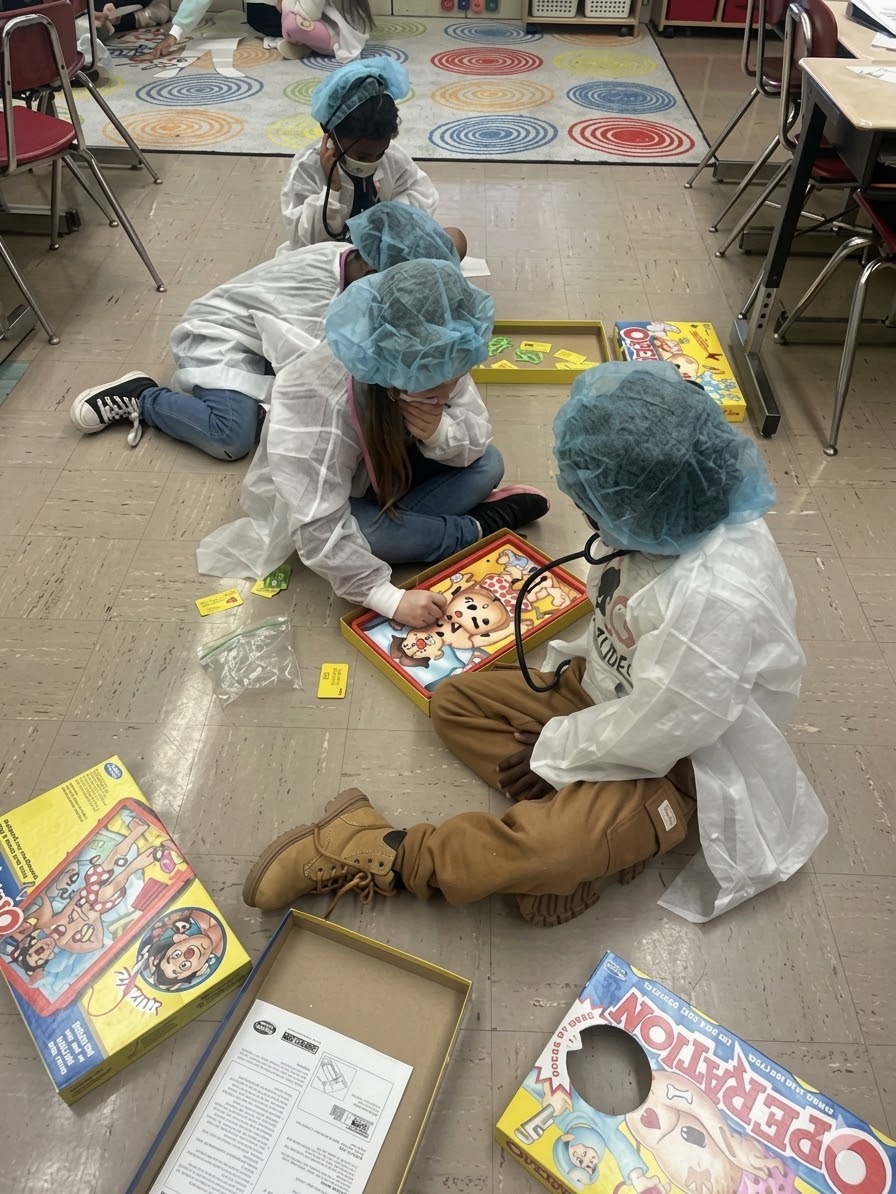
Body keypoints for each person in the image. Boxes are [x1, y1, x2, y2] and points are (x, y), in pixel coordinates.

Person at [242, 361, 829, 927]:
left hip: (676, 763)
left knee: (551, 850)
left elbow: (664, 730)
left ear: (643, 508)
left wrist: (556, 751)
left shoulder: (718, 597)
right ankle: (588, 841)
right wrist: (562, 745)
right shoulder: (672, 518)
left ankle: (385, 852)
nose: (589, 520)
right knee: (453, 704)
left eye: (594, 508)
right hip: (606, 702)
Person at [201, 259, 548, 619]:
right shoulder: (317, 396)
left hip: (398, 472)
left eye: (454, 374)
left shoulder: (443, 348)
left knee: (489, 464)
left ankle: (421, 530)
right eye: (436, 380)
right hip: (351, 496)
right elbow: (317, 523)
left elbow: (474, 433)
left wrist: (437, 432)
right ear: (397, 362)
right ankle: (474, 528)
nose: (449, 389)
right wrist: (388, 599)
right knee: (368, 536)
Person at [68, 202, 464, 462]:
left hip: (263, 340)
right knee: (231, 438)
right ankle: (143, 396)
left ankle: (247, 405)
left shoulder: (358, 269)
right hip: (219, 333)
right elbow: (314, 372)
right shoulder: (316, 292)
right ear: (375, 268)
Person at [279, 58, 440, 253]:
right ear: (333, 134)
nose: (372, 163)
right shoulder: (307, 167)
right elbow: (304, 241)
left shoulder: (393, 157)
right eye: (362, 156)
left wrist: (389, 220)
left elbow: (421, 196)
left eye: (379, 153)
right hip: (329, 260)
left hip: (383, 251)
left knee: (454, 239)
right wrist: (333, 190)